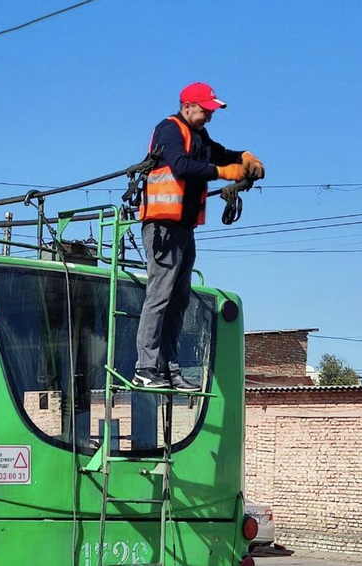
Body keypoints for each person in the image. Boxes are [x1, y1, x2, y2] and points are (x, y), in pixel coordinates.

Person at [133, 82, 264, 390]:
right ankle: (145, 367)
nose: (209, 117)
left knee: (178, 300)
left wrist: (243, 157)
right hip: (162, 228)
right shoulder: (169, 129)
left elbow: (220, 154)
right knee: (160, 297)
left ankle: (168, 368)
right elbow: (180, 165)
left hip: (183, 227)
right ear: (188, 106)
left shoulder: (199, 135)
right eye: (206, 111)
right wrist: (226, 172)